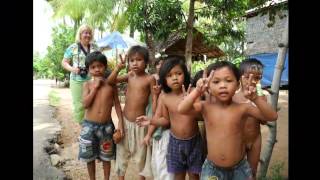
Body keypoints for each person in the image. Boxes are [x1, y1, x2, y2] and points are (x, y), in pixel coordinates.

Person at [177, 61, 278, 180]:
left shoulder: (243, 107)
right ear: (208, 85)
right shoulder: (205, 107)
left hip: (239, 169)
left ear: (237, 84)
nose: (223, 85)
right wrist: (198, 91)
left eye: (228, 80)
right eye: (216, 81)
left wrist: (255, 98)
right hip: (212, 168)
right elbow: (182, 109)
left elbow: (272, 116)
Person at [136, 57, 204, 180]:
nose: (175, 77)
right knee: (178, 175)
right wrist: (151, 120)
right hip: (175, 142)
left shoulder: (193, 92)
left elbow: (201, 116)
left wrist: (189, 103)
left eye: (179, 73)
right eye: (169, 75)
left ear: (185, 74)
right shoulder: (164, 97)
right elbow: (166, 121)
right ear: (164, 79)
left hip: (194, 141)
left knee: (194, 174)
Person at [78, 51, 125, 180]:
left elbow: (117, 105)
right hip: (89, 126)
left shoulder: (111, 85)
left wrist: (120, 125)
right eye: (93, 67)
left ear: (105, 67)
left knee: (107, 156)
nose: (97, 69)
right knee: (89, 157)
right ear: (88, 70)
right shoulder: (87, 85)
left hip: (107, 127)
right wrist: (95, 88)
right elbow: (85, 104)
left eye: (100, 66)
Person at [115, 45, 156, 180]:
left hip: (140, 124)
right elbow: (112, 80)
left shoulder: (150, 79)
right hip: (125, 123)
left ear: (146, 62)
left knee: (141, 157)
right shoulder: (130, 75)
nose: (135, 63)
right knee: (121, 155)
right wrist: (118, 68)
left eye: (139, 60)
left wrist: (151, 126)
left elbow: (155, 101)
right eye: (132, 60)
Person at [232, 58, 268, 179]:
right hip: (238, 140)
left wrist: (260, 102)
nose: (252, 81)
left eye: (257, 78)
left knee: (252, 172)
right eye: (247, 77)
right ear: (240, 78)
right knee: (237, 171)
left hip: (255, 140)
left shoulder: (261, 99)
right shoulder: (233, 98)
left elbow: (264, 121)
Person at [61, 24, 99, 123]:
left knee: (92, 103)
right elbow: (64, 62)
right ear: (80, 34)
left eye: (89, 33)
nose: (88, 35)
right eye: (85, 33)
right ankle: (83, 130)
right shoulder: (73, 47)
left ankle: (90, 126)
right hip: (76, 80)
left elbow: (100, 61)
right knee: (79, 105)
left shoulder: (95, 47)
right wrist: (73, 69)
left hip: (92, 80)